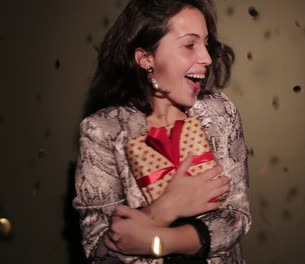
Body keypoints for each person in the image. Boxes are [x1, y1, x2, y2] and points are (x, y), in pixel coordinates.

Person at [72, 0, 251, 263]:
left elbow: (237, 216)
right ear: (146, 59)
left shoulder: (220, 113)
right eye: (190, 45)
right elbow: (99, 252)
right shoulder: (102, 132)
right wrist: (165, 208)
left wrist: (163, 241)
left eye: (205, 43)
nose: (207, 58)